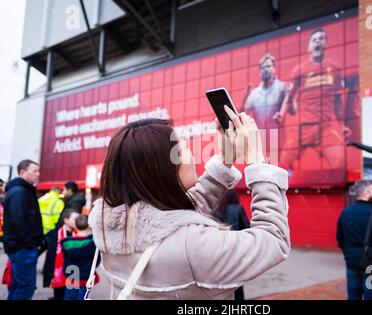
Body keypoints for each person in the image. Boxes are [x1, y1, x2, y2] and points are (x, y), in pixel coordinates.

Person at [89, 108, 290, 299]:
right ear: (166, 170)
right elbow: (273, 239)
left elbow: (172, 217)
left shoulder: (110, 228)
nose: (193, 155)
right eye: (185, 149)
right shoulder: (192, 247)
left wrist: (226, 158)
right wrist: (257, 162)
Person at [277, 28, 352, 173]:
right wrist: (282, 114)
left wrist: (343, 125)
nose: (318, 41)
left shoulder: (335, 68)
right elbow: (289, 96)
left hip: (325, 128)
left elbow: (337, 100)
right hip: (301, 128)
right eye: (314, 39)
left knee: (340, 162)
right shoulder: (300, 69)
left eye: (321, 38)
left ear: (326, 44)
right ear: (309, 47)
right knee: (282, 167)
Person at [336, 179, 372, 300]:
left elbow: (340, 239)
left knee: (353, 297)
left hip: (352, 262)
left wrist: (349, 253)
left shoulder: (345, 213)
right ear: (366, 194)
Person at [3, 159, 45, 300]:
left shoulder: (23, 190)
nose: (38, 174)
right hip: (22, 248)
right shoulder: (19, 192)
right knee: (26, 286)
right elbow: (19, 222)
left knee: (17, 285)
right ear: (22, 172)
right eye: (34, 171)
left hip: (22, 246)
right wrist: (29, 242)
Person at [242, 53, 296, 156]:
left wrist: (290, 96)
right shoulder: (254, 93)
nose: (265, 69)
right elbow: (242, 115)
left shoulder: (283, 87)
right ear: (259, 72)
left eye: (268, 66)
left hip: (278, 142)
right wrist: (245, 97)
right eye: (262, 67)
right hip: (259, 144)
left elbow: (293, 111)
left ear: (274, 69)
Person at [213, 189, 250, 300]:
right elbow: (247, 228)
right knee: (237, 286)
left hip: (219, 253)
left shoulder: (216, 211)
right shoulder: (237, 208)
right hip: (235, 252)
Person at [43, 209, 79, 300]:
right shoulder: (55, 234)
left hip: (73, 272)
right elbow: (50, 256)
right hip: (58, 273)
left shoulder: (79, 233)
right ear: (66, 220)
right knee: (59, 296)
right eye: (74, 219)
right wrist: (50, 274)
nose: (77, 221)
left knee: (72, 296)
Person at [62, 214, 100, 300]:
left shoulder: (67, 242)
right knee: (83, 295)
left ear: (75, 225)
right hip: (85, 274)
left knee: (70, 295)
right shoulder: (92, 243)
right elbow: (96, 260)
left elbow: (65, 257)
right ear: (88, 226)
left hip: (71, 275)